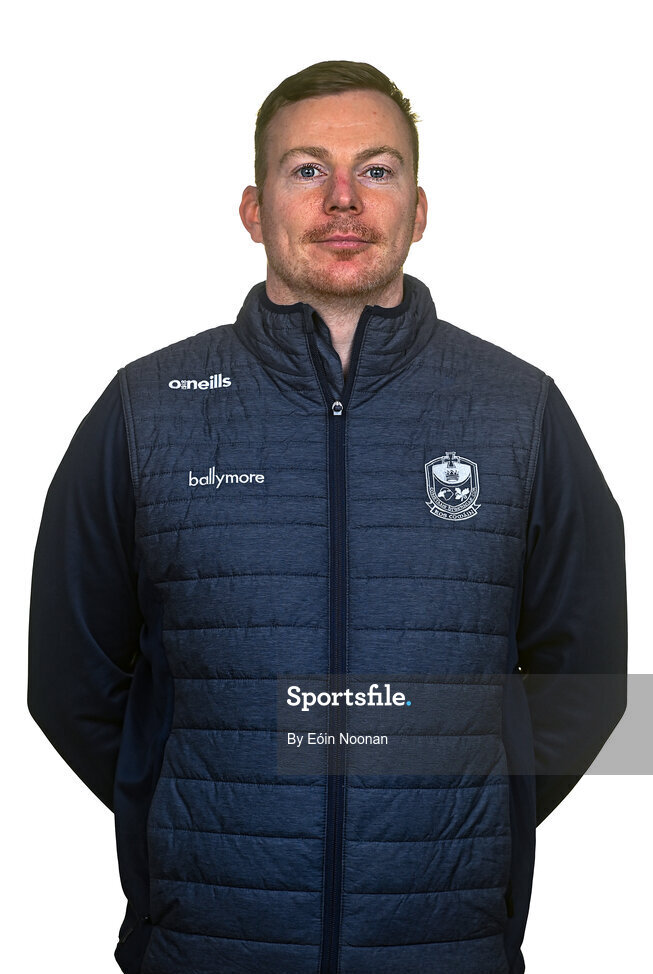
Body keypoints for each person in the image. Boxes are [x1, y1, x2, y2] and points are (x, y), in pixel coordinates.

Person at [27, 60, 627, 974]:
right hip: (206, 942)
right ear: (251, 210)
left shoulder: (520, 412)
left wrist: (465, 806)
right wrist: (183, 804)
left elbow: (586, 679)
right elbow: (69, 678)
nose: (343, 199)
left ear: (418, 211)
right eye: (307, 169)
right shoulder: (146, 409)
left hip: (444, 944)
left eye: (376, 170)